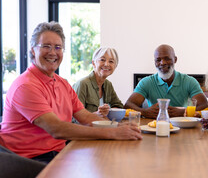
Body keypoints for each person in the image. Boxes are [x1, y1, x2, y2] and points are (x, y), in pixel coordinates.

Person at [0, 21, 142, 163]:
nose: (52, 52)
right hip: (28, 160)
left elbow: (85, 117)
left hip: (59, 152)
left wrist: (118, 127)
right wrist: (112, 132)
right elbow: (57, 129)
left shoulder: (62, 83)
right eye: (46, 46)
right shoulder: (25, 86)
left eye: (58, 47)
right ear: (33, 50)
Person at [124, 44, 208, 119]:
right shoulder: (146, 82)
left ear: (175, 59)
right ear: (155, 62)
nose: (162, 63)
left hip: (182, 124)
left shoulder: (189, 81)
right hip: (154, 125)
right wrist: (145, 112)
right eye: (158, 60)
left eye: (167, 58)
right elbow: (128, 105)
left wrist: (183, 112)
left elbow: (204, 106)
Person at [73, 47, 123, 118]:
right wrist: (96, 115)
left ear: (115, 66)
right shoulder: (82, 84)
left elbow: (119, 106)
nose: (106, 64)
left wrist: (109, 111)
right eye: (102, 60)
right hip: (86, 128)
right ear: (94, 63)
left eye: (111, 61)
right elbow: (74, 118)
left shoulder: (108, 84)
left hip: (103, 127)